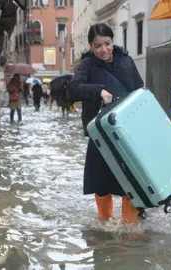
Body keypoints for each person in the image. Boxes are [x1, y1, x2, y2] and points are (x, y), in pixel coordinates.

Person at [67, 23, 144, 223]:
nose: (103, 50)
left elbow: (139, 89)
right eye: (98, 46)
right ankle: (104, 223)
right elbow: (73, 90)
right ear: (91, 47)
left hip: (128, 131)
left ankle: (131, 227)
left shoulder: (126, 60)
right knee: (101, 183)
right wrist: (98, 90)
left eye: (107, 44)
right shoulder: (86, 65)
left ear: (113, 40)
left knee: (132, 180)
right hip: (100, 133)